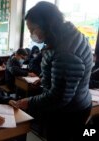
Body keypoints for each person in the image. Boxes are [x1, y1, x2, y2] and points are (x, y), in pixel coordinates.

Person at [15, 2, 92, 141]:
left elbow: (60, 96)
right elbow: (59, 69)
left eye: (33, 29)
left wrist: (29, 101)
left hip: (69, 112)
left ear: (47, 24)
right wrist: (46, 78)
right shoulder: (63, 35)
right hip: (73, 104)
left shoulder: (66, 51)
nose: (31, 34)